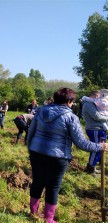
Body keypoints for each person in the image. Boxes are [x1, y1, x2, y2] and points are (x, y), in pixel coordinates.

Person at [27, 88, 108, 223]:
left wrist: (31, 149)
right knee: (53, 187)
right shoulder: (71, 117)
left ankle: (33, 213)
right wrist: (100, 146)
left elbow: (31, 132)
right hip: (58, 157)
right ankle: (49, 219)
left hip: (37, 153)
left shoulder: (41, 111)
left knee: (37, 182)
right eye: (72, 102)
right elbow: (81, 143)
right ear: (69, 101)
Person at [81, 90, 108, 175]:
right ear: (96, 96)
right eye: (99, 97)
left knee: (99, 149)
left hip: (98, 129)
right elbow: (97, 116)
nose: (100, 99)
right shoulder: (88, 104)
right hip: (94, 129)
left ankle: (93, 166)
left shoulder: (93, 104)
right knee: (96, 148)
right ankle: (90, 168)